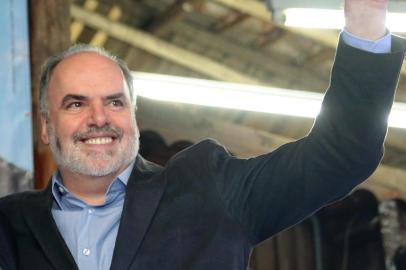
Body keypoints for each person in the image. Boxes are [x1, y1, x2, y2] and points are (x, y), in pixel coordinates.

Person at [0, 0, 404, 269]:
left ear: (133, 117)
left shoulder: (210, 189)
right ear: (46, 126)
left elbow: (342, 152)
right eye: (76, 104)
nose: (99, 117)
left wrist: (365, 21)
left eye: (115, 102)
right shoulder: (9, 225)